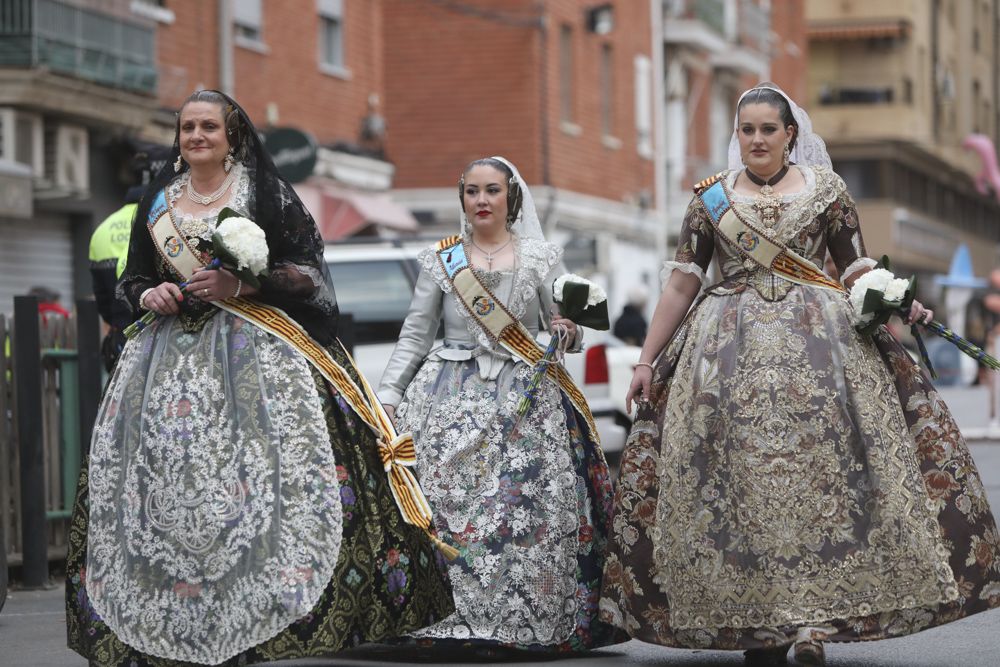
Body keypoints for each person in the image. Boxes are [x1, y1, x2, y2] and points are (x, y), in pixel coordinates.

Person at [599, 84, 1000, 666]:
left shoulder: (828, 190)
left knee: (823, 478)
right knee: (737, 484)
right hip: (722, 358)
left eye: (769, 129)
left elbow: (855, 263)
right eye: (747, 130)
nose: (757, 139)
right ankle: (757, 622)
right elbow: (683, 283)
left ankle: (812, 624)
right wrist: (644, 361)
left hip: (823, 350)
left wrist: (894, 300)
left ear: (791, 135)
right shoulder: (709, 200)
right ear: (737, 136)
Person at [66, 90, 453, 667]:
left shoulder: (262, 191)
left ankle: (267, 610)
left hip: (257, 352)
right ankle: (181, 611)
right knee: (175, 487)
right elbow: (133, 279)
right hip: (169, 364)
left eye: (208, 127)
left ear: (232, 135)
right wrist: (150, 291)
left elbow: (306, 273)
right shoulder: (159, 198)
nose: (196, 136)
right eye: (187, 127)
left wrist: (242, 285)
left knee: (264, 481)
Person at [378, 156, 622, 652]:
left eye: (492, 190)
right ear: (462, 197)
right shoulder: (441, 258)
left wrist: (566, 329)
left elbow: (566, 329)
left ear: (510, 197)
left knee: (523, 506)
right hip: (446, 395)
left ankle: (520, 615)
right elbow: (415, 335)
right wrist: (386, 398)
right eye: (472, 191)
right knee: (448, 504)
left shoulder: (539, 256)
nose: (482, 200)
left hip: (525, 398)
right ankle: (450, 611)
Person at [89, 184, 143, 371]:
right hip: (156, 329)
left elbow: (101, 293)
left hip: (121, 332)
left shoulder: (102, 229)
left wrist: (113, 320)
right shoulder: (157, 216)